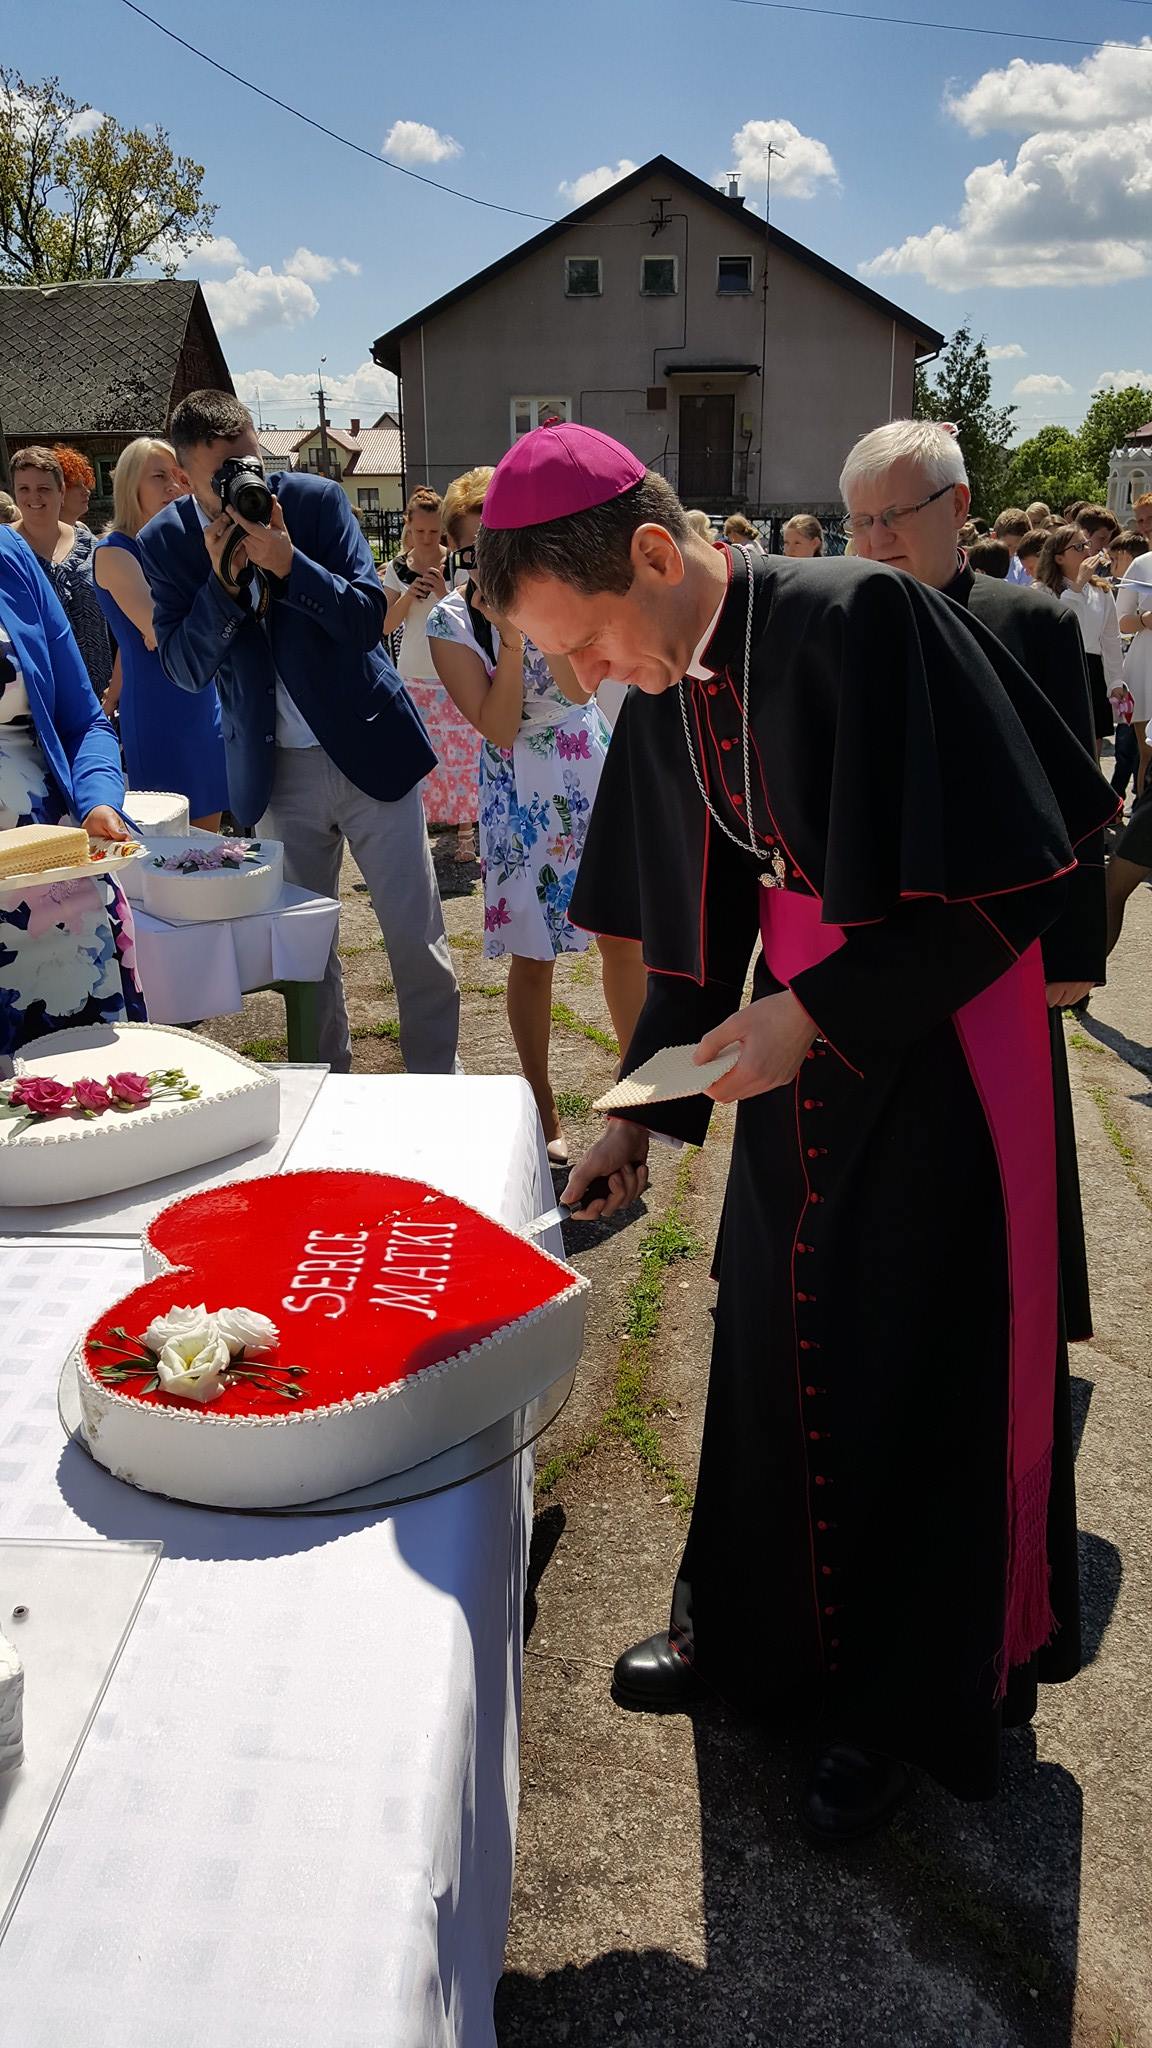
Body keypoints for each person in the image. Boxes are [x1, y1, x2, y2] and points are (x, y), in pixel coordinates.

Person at [475, 419, 1113, 1840]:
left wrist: (812, 1015)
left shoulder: (861, 618)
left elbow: (1019, 880)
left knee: (904, 1357)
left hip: (941, 1047)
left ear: (656, 554)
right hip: (796, 1044)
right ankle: (750, 1641)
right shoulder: (673, 672)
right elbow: (698, 935)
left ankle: (895, 1707)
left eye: (589, 642)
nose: (590, 679)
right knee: (771, 1337)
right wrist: (636, 1116)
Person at [841, 419, 1112, 1348]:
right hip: (888, 929)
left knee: (1007, 1138)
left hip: (1005, 930)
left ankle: (1020, 1306)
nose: (876, 539)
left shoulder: (1029, 622)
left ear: (958, 506)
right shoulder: (842, 618)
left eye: (895, 516)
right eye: (859, 521)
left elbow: (1075, 798)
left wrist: (1074, 948)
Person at [138, 390, 460, 1075]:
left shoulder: (314, 502)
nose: (245, 482)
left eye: (252, 462)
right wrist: (222, 592)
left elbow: (366, 618)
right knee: (305, 949)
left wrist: (290, 565)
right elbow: (184, 670)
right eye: (224, 474)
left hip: (367, 746)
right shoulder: (165, 543)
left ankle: (438, 1083)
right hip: (275, 771)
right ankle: (323, 1087)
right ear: (186, 477)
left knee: (416, 937)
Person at [428, 466, 646, 1161]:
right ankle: (542, 1106)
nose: (491, 561)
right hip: (519, 785)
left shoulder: (554, 589)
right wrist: (512, 638)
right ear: (459, 550)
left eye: (502, 544)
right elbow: (497, 726)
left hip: (587, 765)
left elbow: (582, 690)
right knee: (533, 953)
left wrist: (531, 611)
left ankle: (634, 1099)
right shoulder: (448, 620)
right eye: (476, 549)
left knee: (623, 937)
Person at [0, 526, 145, 1053]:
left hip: (55, 894)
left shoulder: (10, 556)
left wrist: (97, 799)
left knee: (76, 1085)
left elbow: (84, 721)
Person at [94, 439, 228, 830]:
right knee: (166, 836)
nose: (173, 486)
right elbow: (158, 632)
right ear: (130, 486)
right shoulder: (114, 552)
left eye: (178, 476)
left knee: (207, 837)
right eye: (158, 476)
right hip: (160, 710)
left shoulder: (180, 548)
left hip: (204, 701)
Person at [381, 486, 480, 862]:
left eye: (433, 532)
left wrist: (441, 592)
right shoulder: (397, 568)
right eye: (419, 531)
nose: (426, 538)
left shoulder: (457, 563)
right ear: (408, 526)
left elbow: (470, 620)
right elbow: (385, 625)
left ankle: (465, 833)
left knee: (461, 754)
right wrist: (409, 595)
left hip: (452, 671)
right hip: (414, 674)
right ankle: (419, 831)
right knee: (420, 757)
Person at [11, 448, 113, 699]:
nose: (33, 497)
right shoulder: (6, 550)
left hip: (98, 695)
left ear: (61, 491)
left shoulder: (89, 546)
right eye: (24, 489)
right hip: (35, 698)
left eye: (43, 488)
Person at [1034, 524, 1125, 750]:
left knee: (1093, 744)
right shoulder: (1043, 591)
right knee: (1060, 745)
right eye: (1077, 547)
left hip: (1091, 669)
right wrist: (1077, 587)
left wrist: (1115, 681)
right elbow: (1056, 625)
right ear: (1059, 558)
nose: (1086, 550)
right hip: (1058, 670)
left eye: (1086, 544)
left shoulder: (1101, 591)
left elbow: (1110, 639)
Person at [1107, 538, 1152, 949]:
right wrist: (1146, 619)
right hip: (1145, 664)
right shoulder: (1143, 564)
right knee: (1144, 754)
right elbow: (1121, 621)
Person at [52, 446, 96, 530]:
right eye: (76, 485)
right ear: (60, 491)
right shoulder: (42, 535)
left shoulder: (82, 529)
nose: (87, 492)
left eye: (85, 484)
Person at [992, 508, 1031, 584]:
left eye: (1017, 548)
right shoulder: (980, 561)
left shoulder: (1025, 568)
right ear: (994, 537)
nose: (1011, 553)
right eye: (1007, 546)